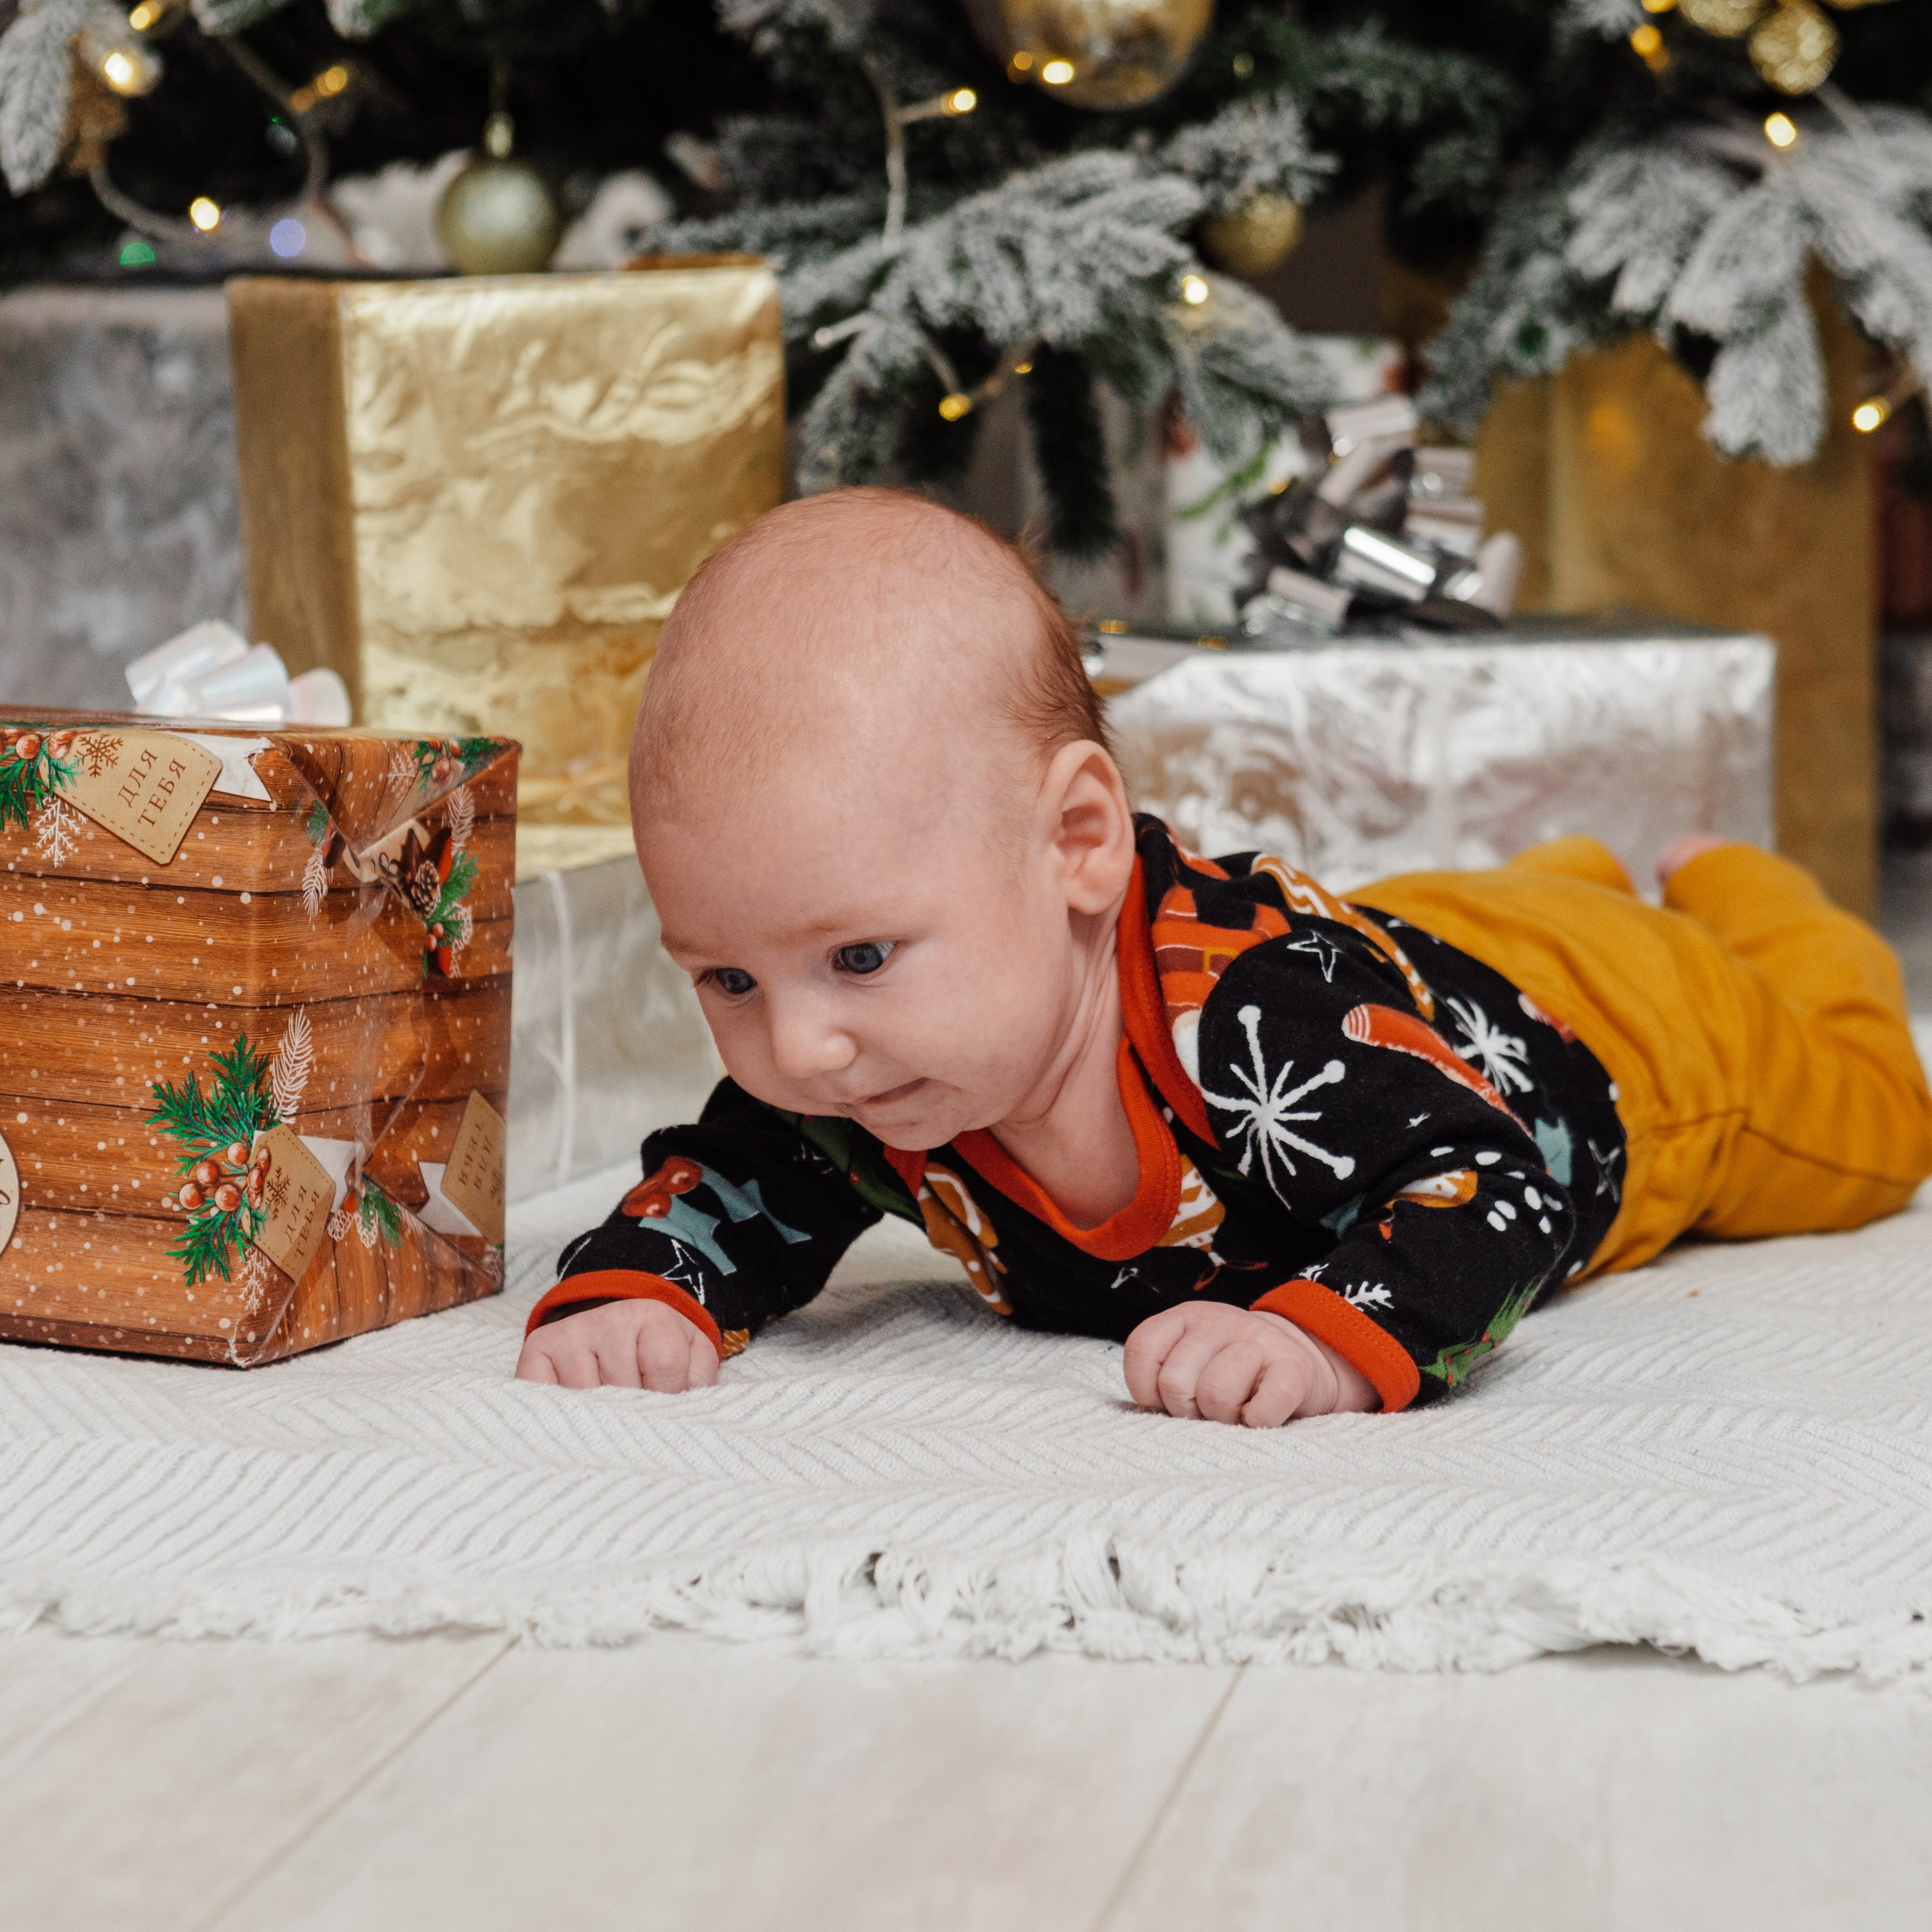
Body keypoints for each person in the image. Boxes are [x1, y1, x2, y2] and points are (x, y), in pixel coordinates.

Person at [515, 488, 1932, 1425]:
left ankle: (1748, 899)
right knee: (1441, 931)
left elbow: (1488, 1180)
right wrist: (644, 1286)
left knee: (1870, 1114)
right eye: (728, 980)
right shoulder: (867, 1070)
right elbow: (737, 1183)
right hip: (1414, 951)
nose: (798, 1049)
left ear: (1078, 843)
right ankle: (1570, 875)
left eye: (862, 955)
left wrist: (1330, 1333)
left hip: (1617, 1037)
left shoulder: (1257, 1022)